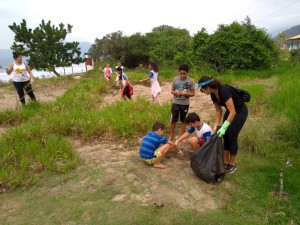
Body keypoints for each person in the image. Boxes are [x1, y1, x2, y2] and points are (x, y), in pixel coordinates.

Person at [197, 75, 248, 174]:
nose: (202, 92)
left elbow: (233, 111)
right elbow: (218, 111)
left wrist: (224, 127)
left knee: (232, 135)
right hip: (230, 111)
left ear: (207, 87)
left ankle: (232, 163)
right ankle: (224, 161)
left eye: (202, 90)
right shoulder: (213, 94)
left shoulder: (224, 90)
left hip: (240, 112)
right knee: (224, 135)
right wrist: (216, 126)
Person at [169, 64, 195, 141]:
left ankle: (182, 136)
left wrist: (185, 94)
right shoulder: (175, 79)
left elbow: (193, 93)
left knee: (183, 120)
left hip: (185, 104)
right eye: (181, 73)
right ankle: (171, 135)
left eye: (184, 74)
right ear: (178, 72)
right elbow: (171, 90)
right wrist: (175, 92)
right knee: (173, 120)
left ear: (187, 73)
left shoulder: (191, 81)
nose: (182, 75)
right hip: (175, 102)